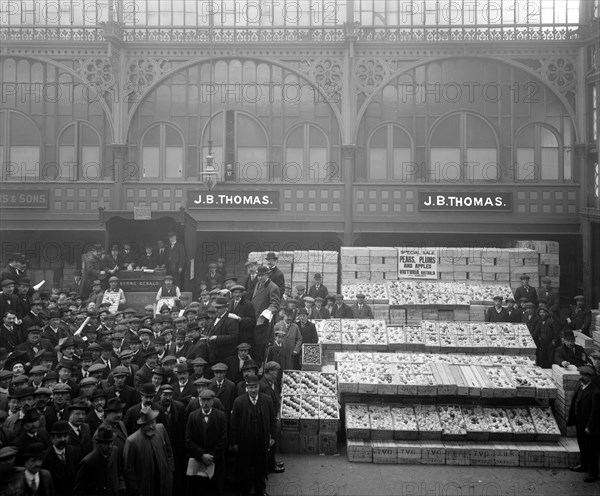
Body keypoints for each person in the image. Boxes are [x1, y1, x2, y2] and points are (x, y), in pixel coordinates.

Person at [230, 374, 276, 496]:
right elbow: (233, 424)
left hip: (261, 440)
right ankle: (245, 490)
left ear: (259, 387)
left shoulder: (267, 400)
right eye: (251, 387)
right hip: (245, 442)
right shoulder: (239, 402)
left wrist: (273, 437)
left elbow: (272, 420)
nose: (253, 390)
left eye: (255, 387)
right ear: (247, 388)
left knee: (261, 467)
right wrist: (234, 442)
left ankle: (260, 491)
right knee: (245, 468)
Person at [185, 389, 228, 496]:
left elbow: (223, 440)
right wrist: (202, 455)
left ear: (213, 401)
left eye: (208, 400)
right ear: (199, 401)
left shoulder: (220, 416)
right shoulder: (192, 416)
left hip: (215, 461)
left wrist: (211, 456)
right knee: (198, 488)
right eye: (203, 400)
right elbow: (188, 440)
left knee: (214, 488)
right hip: (198, 460)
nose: (206, 403)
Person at [123, 407, 175, 496]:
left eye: (153, 422)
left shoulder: (161, 429)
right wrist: (136, 490)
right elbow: (128, 469)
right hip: (145, 487)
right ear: (142, 424)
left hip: (164, 482)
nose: (152, 426)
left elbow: (169, 451)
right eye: (148, 424)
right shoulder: (132, 441)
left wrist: (170, 471)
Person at [567, 365, 600, 483]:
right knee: (582, 445)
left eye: (583, 375)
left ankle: (593, 473)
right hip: (579, 421)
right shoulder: (580, 386)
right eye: (580, 374)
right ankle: (583, 465)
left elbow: (595, 412)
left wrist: (589, 427)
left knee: (591, 449)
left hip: (588, 426)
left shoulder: (595, 392)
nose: (580, 377)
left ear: (589, 377)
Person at [73, 423, 120, 496]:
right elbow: (79, 489)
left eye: (111, 442)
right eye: (106, 443)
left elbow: (118, 472)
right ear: (99, 444)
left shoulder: (115, 451)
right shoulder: (88, 462)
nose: (110, 446)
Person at [251, 265, 281, 366]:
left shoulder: (273, 287)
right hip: (254, 320)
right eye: (258, 275)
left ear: (267, 275)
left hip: (264, 323)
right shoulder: (257, 284)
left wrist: (266, 313)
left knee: (262, 349)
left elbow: (275, 304)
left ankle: (261, 368)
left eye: (262, 275)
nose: (259, 278)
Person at [42, 420, 79, 496]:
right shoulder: (46, 458)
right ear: (52, 439)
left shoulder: (74, 452)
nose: (63, 439)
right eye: (59, 436)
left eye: (65, 436)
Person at [532, 304, 561, 368]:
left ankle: (551, 369)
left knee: (550, 357)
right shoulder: (540, 321)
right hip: (543, 342)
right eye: (540, 312)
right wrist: (530, 338)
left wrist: (554, 340)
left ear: (547, 313)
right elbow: (536, 331)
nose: (542, 314)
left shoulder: (551, 322)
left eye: (543, 312)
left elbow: (557, 333)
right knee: (543, 357)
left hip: (550, 342)